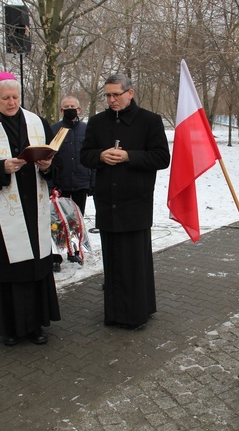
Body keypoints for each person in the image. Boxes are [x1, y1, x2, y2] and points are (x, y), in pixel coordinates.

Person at [0, 72, 61, 346]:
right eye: (5, 98)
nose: (11, 102)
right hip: (2, 213)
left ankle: (37, 325)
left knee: (35, 266)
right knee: (9, 268)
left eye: (15, 97)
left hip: (35, 208)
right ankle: (10, 328)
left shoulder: (37, 122)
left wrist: (48, 166)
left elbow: (56, 160)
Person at [80, 73, 170, 329]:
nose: (111, 100)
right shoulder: (97, 122)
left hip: (136, 200)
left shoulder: (150, 121)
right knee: (113, 259)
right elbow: (85, 155)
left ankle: (137, 312)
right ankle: (115, 312)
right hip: (108, 201)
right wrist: (101, 155)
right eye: (107, 95)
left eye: (116, 95)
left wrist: (129, 156)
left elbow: (162, 158)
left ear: (130, 93)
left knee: (134, 260)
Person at [49, 95, 95, 269]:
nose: (70, 109)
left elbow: (92, 156)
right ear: (61, 110)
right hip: (59, 184)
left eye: (73, 106)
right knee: (56, 221)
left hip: (81, 182)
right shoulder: (54, 130)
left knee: (76, 219)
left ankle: (74, 251)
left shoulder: (87, 129)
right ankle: (55, 255)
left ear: (79, 109)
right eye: (66, 106)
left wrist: (92, 182)